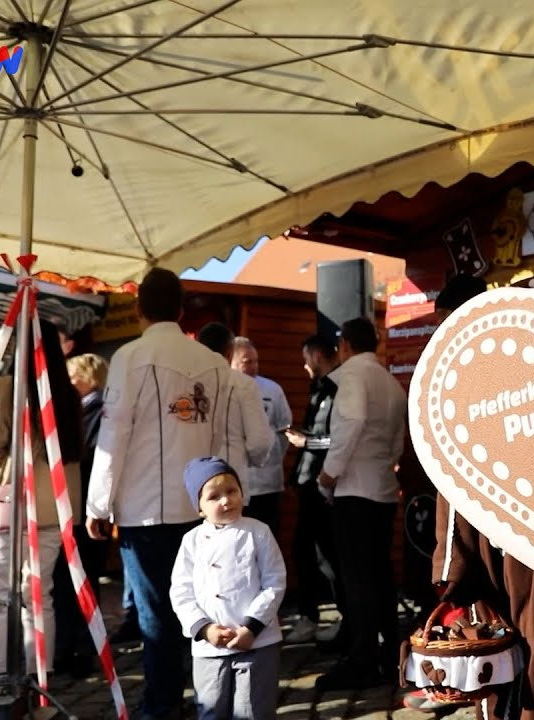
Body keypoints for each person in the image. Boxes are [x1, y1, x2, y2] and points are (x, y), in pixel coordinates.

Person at [422, 274, 534, 719]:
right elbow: (454, 478)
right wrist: (453, 566)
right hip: (492, 552)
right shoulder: (466, 385)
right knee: (493, 667)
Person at [86, 268, 231, 720]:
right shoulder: (211, 360)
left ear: (138, 308)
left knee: (156, 617)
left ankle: (163, 704)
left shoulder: (130, 356)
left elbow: (114, 437)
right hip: (200, 506)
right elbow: (223, 437)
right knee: (202, 607)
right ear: (182, 308)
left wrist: (97, 504)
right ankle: (210, 696)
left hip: (145, 508)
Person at [0, 318, 83, 679]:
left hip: (9, 505)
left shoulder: (9, 387)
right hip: (54, 507)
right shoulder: (66, 393)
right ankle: (40, 676)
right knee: (39, 596)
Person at [314, 317, 408, 691]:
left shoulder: (352, 376)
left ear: (345, 347)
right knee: (380, 577)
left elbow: (352, 421)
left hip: (355, 490)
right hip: (382, 487)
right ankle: (386, 655)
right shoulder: (389, 381)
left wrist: (329, 474)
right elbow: (399, 439)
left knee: (358, 581)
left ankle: (363, 658)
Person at [171, 456, 286, 720]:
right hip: (209, 648)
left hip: (257, 642)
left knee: (253, 710)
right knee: (211, 709)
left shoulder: (258, 532)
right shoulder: (191, 541)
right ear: (199, 507)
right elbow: (180, 591)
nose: (226, 500)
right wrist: (203, 628)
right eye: (214, 496)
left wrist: (252, 627)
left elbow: (275, 581)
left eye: (232, 491)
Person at [283, 333, 345, 646]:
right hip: (312, 483)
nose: (304, 366)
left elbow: (339, 438)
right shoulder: (320, 388)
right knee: (309, 552)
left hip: (326, 484)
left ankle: (334, 619)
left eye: (306, 359)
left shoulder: (337, 388)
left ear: (317, 356)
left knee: (325, 556)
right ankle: (316, 616)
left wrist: (305, 441)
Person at [53, 353, 110, 677]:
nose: (70, 383)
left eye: (74, 376)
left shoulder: (97, 411)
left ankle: (80, 650)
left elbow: (92, 461)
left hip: (86, 507)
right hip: (85, 506)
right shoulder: (92, 408)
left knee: (78, 579)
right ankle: (77, 647)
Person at [194, 322, 272, 510]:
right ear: (230, 351)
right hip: (229, 487)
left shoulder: (184, 380)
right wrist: (252, 461)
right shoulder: (244, 385)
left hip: (193, 488)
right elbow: (260, 441)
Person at [231, 336, 292, 538]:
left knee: (266, 540)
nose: (254, 366)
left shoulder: (272, 390)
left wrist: (272, 456)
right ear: (231, 360)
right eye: (247, 362)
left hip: (268, 483)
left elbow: (284, 430)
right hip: (235, 483)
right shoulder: (224, 387)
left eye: (256, 361)